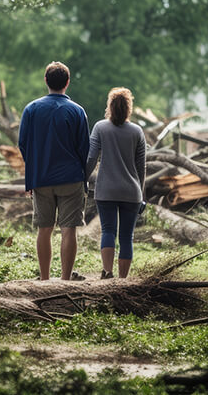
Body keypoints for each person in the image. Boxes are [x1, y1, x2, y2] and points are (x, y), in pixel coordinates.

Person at [18, 61, 90, 281]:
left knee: (44, 229)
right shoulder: (77, 111)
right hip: (71, 178)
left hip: (41, 178)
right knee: (69, 230)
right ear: (67, 83)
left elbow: (23, 144)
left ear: (46, 81)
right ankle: (66, 280)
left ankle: (45, 279)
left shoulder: (31, 109)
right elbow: (84, 148)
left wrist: (33, 174)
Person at [85, 87, 146, 279]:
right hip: (131, 192)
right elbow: (141, 167)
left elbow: (91, 159)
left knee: (108, 230)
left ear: (109, 107)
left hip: (106, 190)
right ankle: (122, 280)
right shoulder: (137, 131)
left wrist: (83, 181)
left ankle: (107, 272)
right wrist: (140, 193)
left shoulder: (100, 128)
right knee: (127, 236)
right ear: (129, 108)